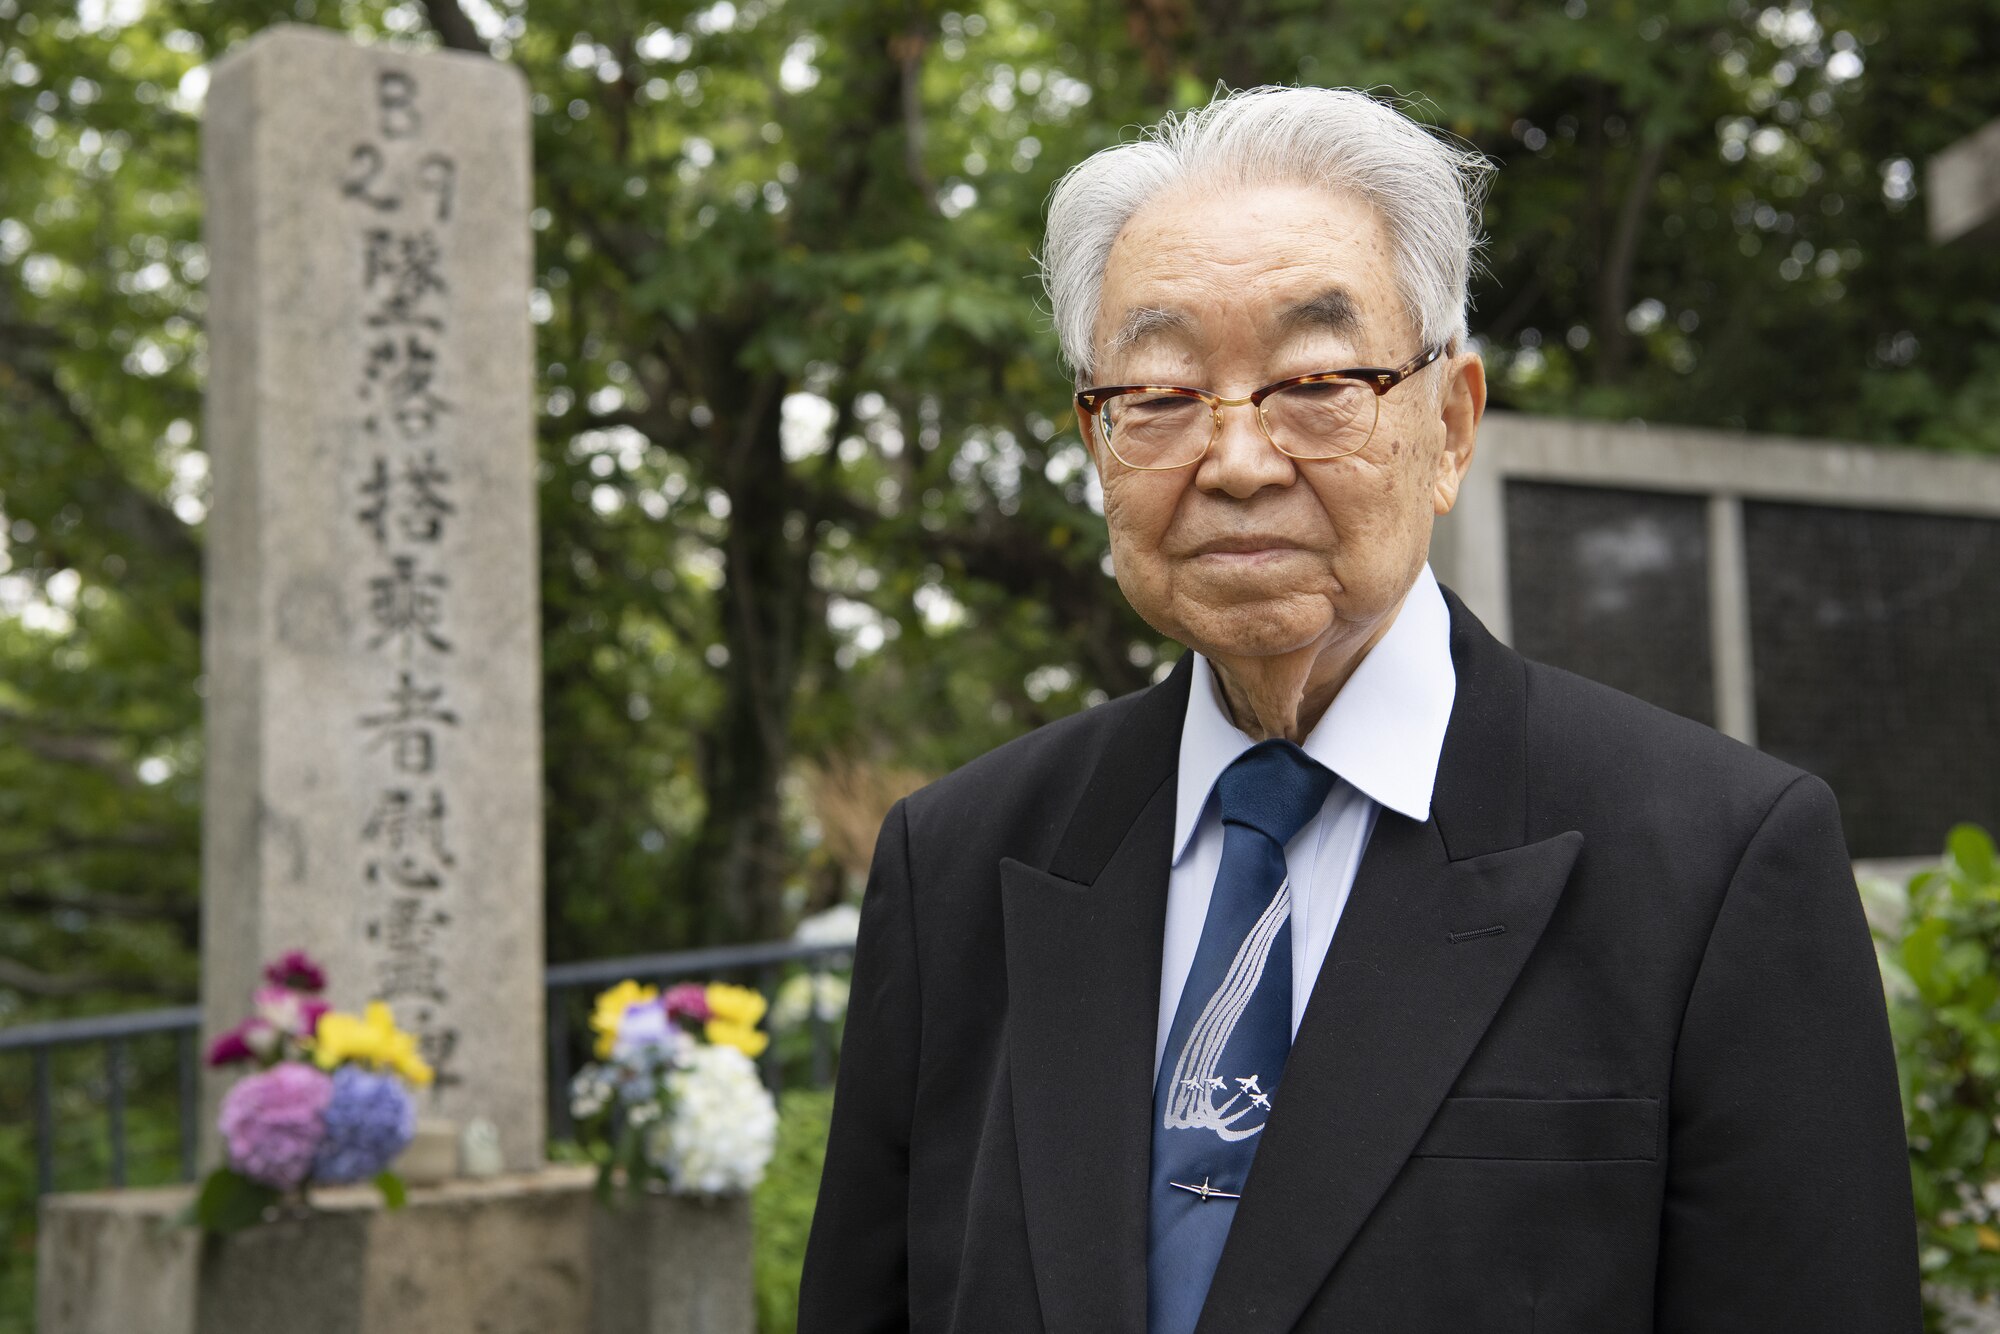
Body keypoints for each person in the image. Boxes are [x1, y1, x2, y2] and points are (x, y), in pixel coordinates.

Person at [797, 85, 1919, 1333]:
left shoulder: (1716, 864)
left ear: (1448, 424)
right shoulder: (956, 862)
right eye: (1161, 395)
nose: (1234, 460)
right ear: (1095, 443)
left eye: (1315, 379)